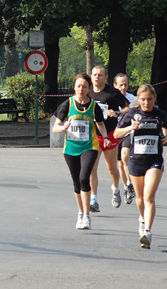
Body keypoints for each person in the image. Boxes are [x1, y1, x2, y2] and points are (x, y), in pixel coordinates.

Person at [115, 84, 167, 249]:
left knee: (149, 196)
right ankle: (142, 219)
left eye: (149, 99)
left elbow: (166, 126)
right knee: (140, 198)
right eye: (143, 99)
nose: (146, 102)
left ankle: (147, 231)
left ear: (154, 98)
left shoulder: (159, 114)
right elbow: (116, 134)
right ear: (138, 100)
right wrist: (130, 128)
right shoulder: (132, 114)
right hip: (135, 160)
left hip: (154, 160)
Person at [52, 73, 111, 230]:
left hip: (89, 147)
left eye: (84, 86)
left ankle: (87, 216)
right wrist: (63, 127)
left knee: (85, 177)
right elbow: (55, 127)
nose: (81, 89)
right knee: (76, 182)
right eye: (78, 86)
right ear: (74, 87)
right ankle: (80, 213)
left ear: (89, 88)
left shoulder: (93, 106)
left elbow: (100, 123)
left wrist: (105, 136)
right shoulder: (68, 104)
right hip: (71, 149)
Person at [88, 66, 129, 212]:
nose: (97, 77)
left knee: (111, 168)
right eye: (94, 75)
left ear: (105, 78)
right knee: (92, 168)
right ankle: (93, 199)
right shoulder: (88, 92)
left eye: (100, 75)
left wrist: (117, 112)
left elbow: (126, 107)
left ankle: (115, 190)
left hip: (110, 134)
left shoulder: (113, 93)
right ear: (91, 76)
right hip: (93, 135)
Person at [113, 73, 137, 205]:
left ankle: (130, 184)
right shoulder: (110, 98)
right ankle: (126, 186)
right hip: (115, 133)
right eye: (120, 85)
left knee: (125, 157)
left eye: (125, 85)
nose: (123, 87)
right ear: (115, 86)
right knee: (120, 164)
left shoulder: (132, 99)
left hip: (127, 132)